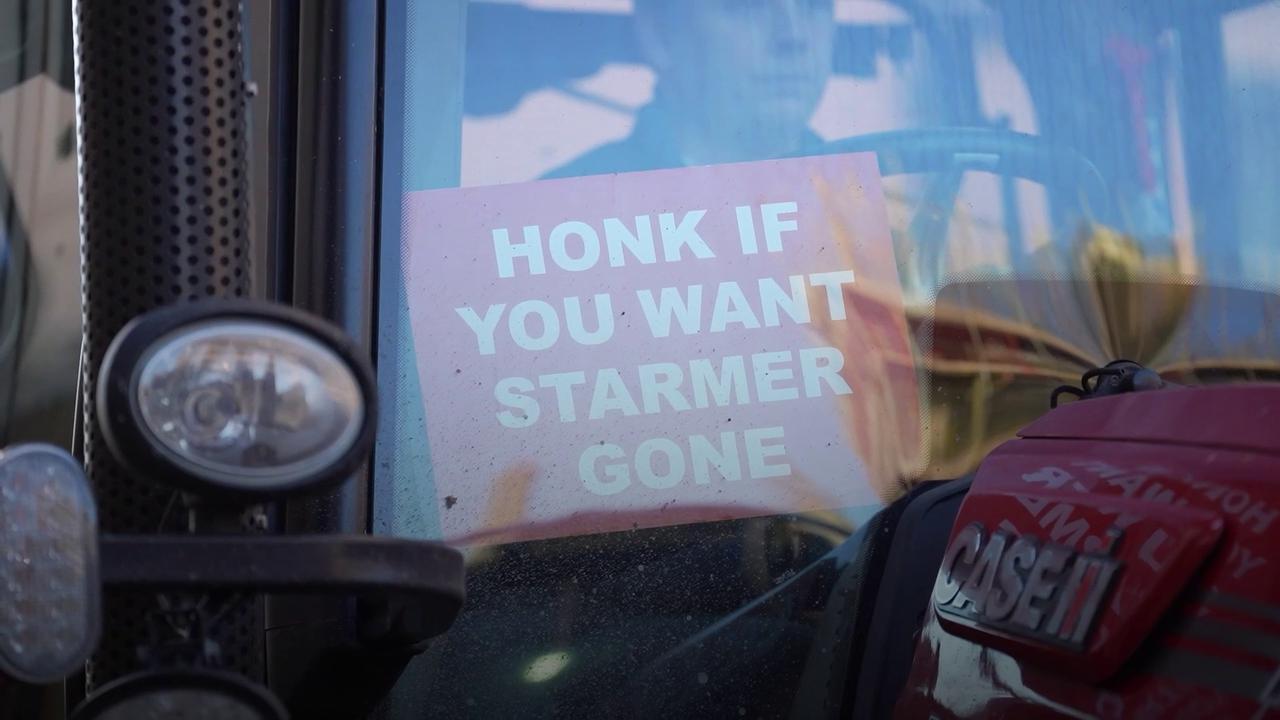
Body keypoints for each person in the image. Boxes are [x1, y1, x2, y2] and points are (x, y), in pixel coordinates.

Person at [546, 0, 838, 178]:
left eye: (814, 3)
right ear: (658, 32)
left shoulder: (875, 195)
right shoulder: (560, 213)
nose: (794, 36)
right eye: (749, 5)